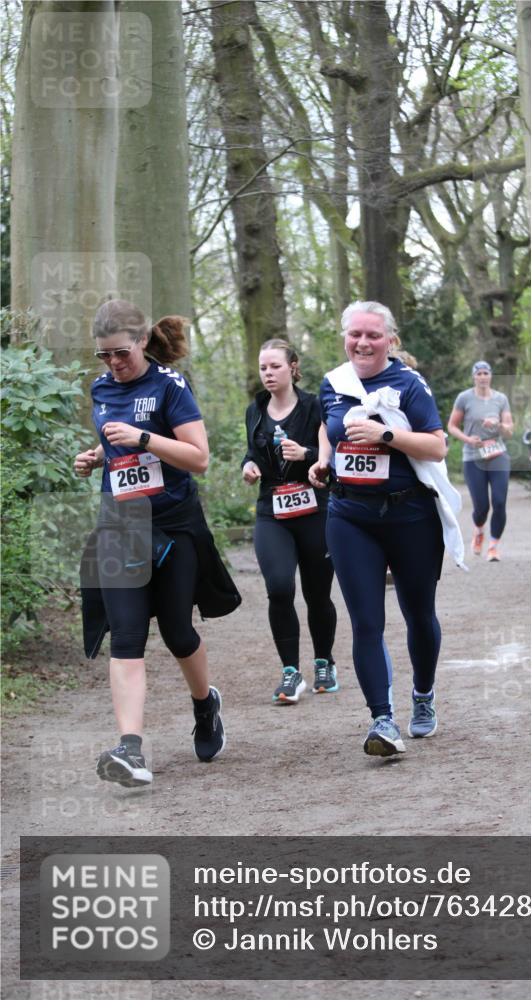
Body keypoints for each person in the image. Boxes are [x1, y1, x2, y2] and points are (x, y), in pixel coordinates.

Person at [74, 299, 240, 788]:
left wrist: (143, 439)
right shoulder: (101, 389)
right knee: (125, 636)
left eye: (120, 353)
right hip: (120, 526)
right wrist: (97, 458)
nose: (113, 364)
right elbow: (116, 448)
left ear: (142, 341)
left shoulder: (171, 386)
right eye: (103, 356)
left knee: (176, 632)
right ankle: (130, 750)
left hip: (173, 526)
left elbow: (198, 458)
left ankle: (205, 704)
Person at [309, 302, 460, 758]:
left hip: (409, 515)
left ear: (390, 340)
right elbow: (326, 425)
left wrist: (385, 436)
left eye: (373, 335)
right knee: (366, 622)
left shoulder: (409, 385)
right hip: (350, 515)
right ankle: (382, 719)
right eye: (355, 334)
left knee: (419, 614)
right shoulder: (333, 384)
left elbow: (436, 446)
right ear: (344, 337)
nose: (362, 342)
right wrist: (323, 458)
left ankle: (424, 695)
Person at [242, 339, 337, 704]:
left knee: (317, 594)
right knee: (279, 588)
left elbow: (332, 454)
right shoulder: (256, 409)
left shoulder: (315, 406)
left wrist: (307, 453)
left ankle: (324, 662)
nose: (268, 373)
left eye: (275, 366)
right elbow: (251, 452)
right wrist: (248, 466)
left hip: (314, 508)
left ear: (292, 367)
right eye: (263, 367)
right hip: (273, 511)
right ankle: (290, 672)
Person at [447, 361, 514, 561]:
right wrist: (468, 440)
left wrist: (499, 425)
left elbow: (510, 430)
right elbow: (451, 426)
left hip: (498, 455)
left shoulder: (501, 399)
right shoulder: (464, 398)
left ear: (491, 376)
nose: (483, 377)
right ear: (474, 377)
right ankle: (479, 529)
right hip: (473, 457)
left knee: (500, 502)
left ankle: (493, 546)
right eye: (479, 373)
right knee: (481, 507)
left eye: (486, 373)